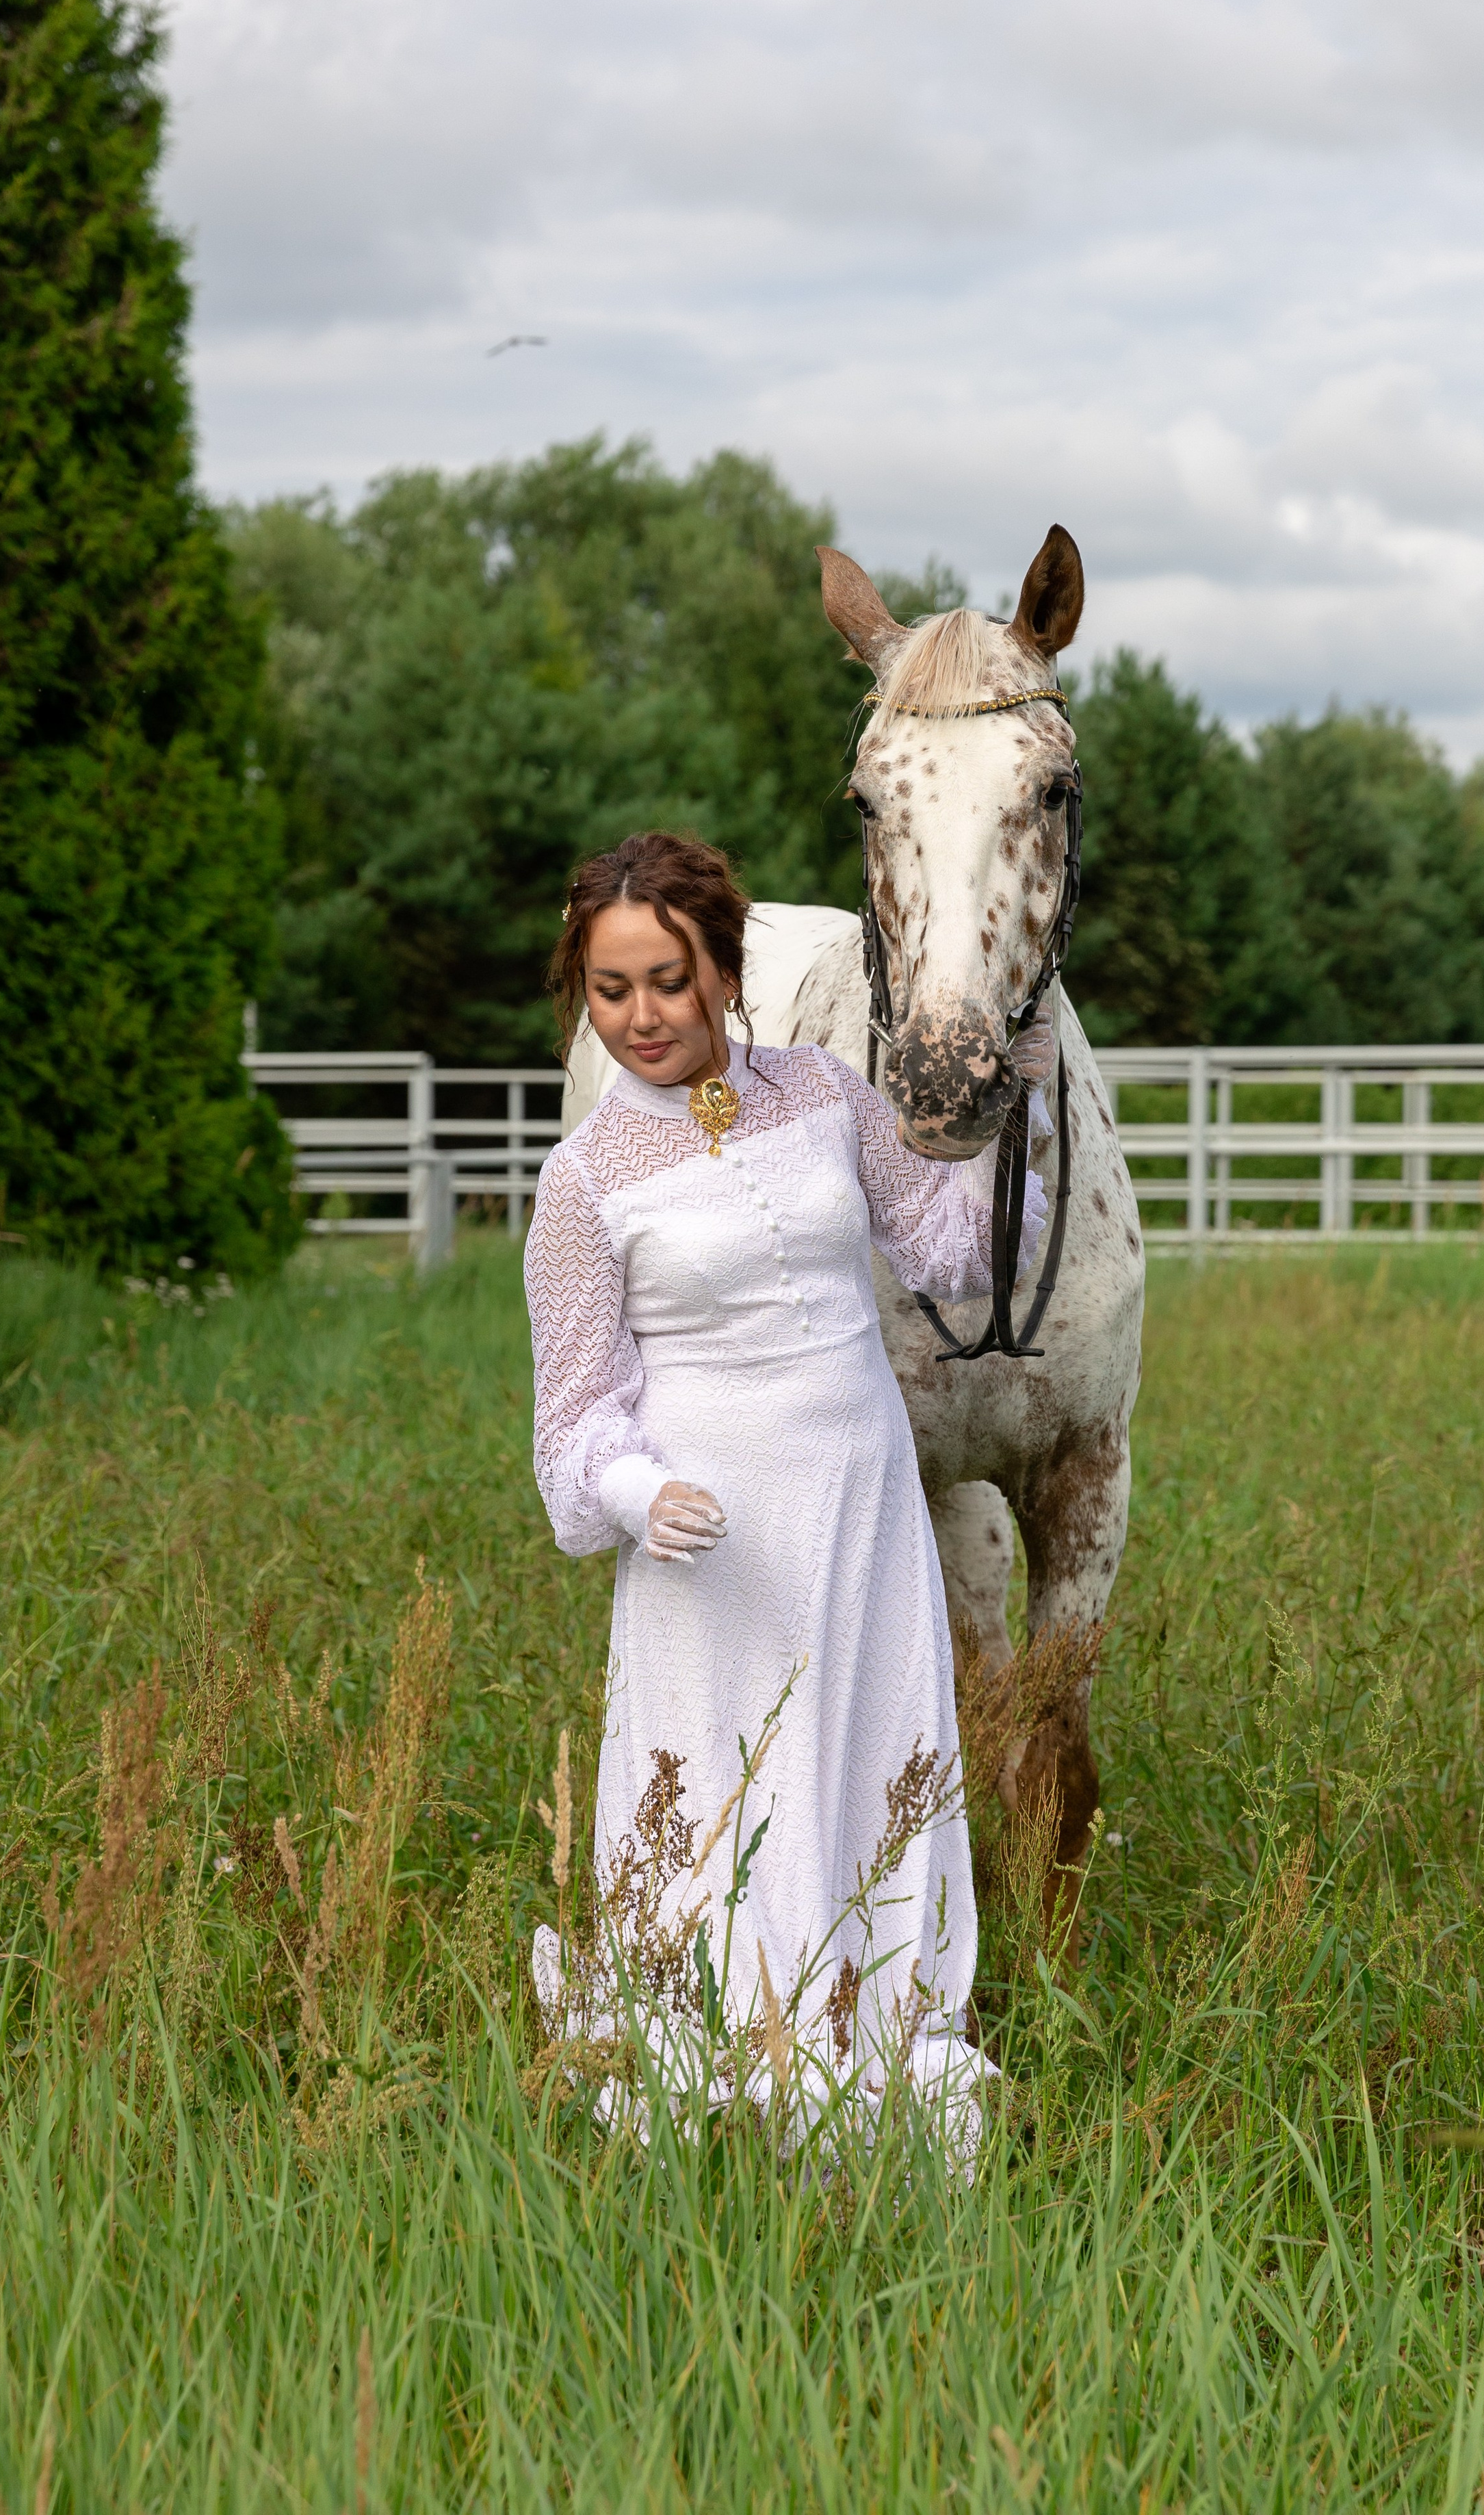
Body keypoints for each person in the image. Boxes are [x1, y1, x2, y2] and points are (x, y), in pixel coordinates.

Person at [523, 829, 1051, 2138]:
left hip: (861, 1509)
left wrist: (1009, 1117)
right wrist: (640, 1495)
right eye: (611, 989)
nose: (643, 1016)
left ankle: (889, 2018)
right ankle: (743, 2027)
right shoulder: (584, 1181)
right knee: (726, 1779)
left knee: (875, 1752)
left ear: (725, 969)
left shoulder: (822, 1092)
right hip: (711, 1538)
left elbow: (950, 1254)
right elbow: (574, 1419)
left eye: (669, 980)